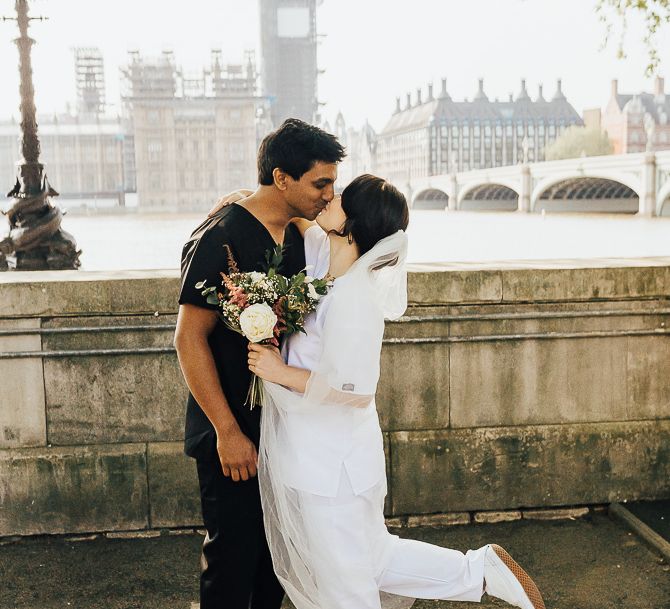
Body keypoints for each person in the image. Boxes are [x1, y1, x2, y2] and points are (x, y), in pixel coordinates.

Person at [246, 174, 547, 609]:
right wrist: (243, 202)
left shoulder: (355, 299)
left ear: (352, 224)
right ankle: (479, 571)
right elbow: (298, 220)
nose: (329, 197)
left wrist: (280, 371)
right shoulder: (322, 262)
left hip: (335, 470)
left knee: (345, 586)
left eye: (340, 197)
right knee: (374, 559)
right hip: (322, 456)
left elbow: (355, 391)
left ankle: (478, 572)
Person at [174, 118, 345, 609]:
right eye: (321, 183)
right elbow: (189, 339)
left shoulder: (298, 233)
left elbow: (351, 235)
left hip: (284, 430)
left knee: (277, 565)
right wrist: (227, 431)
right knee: (231, 562)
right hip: (231, 430)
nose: (329, 194)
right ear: (282, 178)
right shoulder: (221, 237)